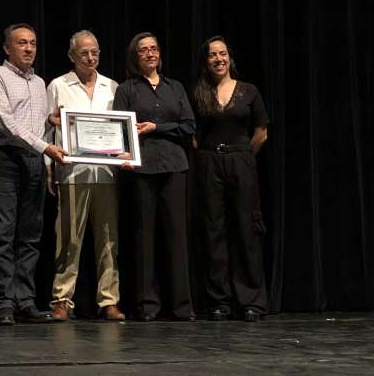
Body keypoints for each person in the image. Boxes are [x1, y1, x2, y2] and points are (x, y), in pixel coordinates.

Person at [0, 23, 67, 326]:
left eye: (32, 43)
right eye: (21, 43)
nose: (29, 48)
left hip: (34, 160)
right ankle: (5, 302)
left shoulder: (40, 82)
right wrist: (46, 148)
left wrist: (45, 165)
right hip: (5, 159)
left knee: (30, 235)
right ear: (7, 48)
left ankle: (25, 301)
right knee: (4, 232)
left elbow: (40, 127)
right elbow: (7, 124)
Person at [113, 32, 197, 321]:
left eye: (154, 49)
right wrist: (123, 156)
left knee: (176, 237)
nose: (149, 54)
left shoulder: (176, 87)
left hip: (174, 166)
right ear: (135, 57)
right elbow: (119, 129)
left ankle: (182, 306)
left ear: (160, 54)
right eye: (143, 51)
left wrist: (156, 128)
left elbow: (188, 127)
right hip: (141, 168)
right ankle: (148, 305)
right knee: (144, 236)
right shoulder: (127, 89)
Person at [45, 30, 125, 321]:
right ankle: (62, 300)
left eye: (95, 52)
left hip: (106, 173)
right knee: (68, 238)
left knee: (108, 239)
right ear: (71, 56)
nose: (90, 58)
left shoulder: (112, 86)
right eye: (84, 53)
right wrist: (48, 168)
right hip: (72, 171)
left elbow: (120, 131)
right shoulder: (58, 85)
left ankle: (109, 300)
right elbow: (47, 130)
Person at [192, 36, 269, 322]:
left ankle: (250, 301)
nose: (218, 59)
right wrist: (212, 157)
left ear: (230, 58)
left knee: (246, 230)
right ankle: (219, 301)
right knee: (214, 231)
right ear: (206, 61)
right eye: (212, 55)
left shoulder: (249, 91)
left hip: (241, 160)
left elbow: (261, 132)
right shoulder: (199, 92)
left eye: (223, 54)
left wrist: (242, 156)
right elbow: (194, 135)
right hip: (210, 162)